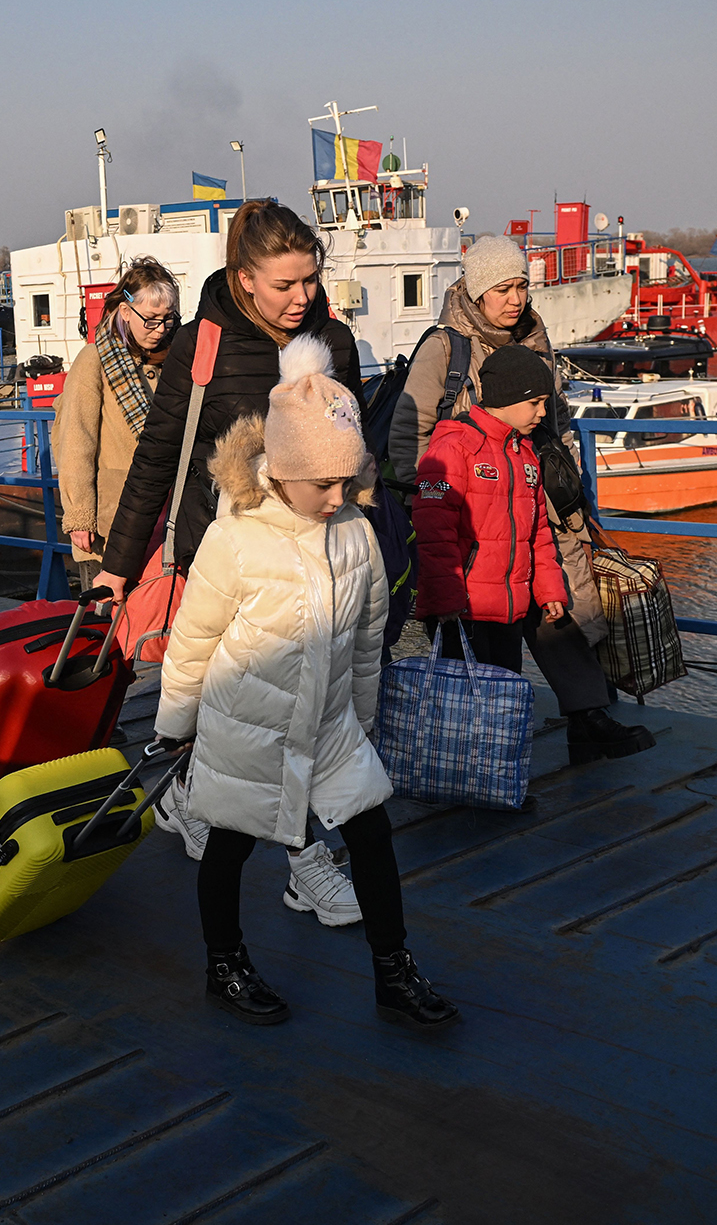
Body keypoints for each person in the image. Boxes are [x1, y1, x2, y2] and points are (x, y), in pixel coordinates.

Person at [156, 339, 459, 1031]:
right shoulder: (235, 540)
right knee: (230, 842)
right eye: (322, 484)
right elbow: (194, 640)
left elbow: (366, 641)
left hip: (329, 723)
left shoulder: (354, 535)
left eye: (345, 482)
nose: (337, 498)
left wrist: (363, 718)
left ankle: (393, 970)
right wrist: (176, 724)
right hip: (247, 723)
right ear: (284, 470)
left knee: (372, 833)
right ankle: (224, 963)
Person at [92, 202, 364, 917]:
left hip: (317, 560)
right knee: (256, 716)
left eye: (310, 280)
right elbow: (157, 456)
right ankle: (299, 857)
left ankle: (201, 803)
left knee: (303, 713)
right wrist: (119, 565)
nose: (301, 297)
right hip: (229, 560)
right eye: (284, 284)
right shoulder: (201, 344)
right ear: (244, 278)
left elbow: (352, 453)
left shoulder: (334, 340)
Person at [387, 237, 655, 764]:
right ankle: (485, 744)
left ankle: (587, 716)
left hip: (537, 497)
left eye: (522, 286)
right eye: (503, 289)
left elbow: (556, 419)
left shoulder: (535, 335)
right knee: (486, 630)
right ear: (477, 292)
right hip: (472, 511)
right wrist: (437, 495)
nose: (516, 299)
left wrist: (567, 482)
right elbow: (408, 431)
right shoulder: (445, 347)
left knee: (561, 603)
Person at [52, 257, 178, 587]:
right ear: (125, 311)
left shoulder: (175, 360)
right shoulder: (94, 360)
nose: (160, 329)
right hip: (110, 522)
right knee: (109, 610)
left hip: (167, 517)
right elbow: (75, 440)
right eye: (150, 320)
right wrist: (80, 515)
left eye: (167, 319)